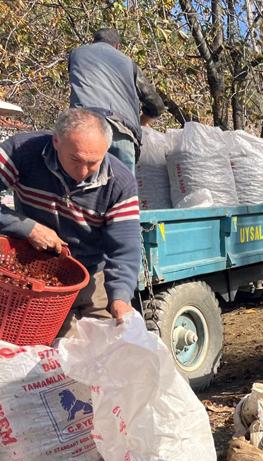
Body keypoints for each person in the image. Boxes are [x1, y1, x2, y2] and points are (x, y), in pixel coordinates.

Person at [0, 108, 141, 329]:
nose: (84, 171)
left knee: (102, 350)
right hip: (34, 274)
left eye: (93, 162)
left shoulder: (120, 183)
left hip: (92, 273)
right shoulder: (22, 151)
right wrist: (26, 227)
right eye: (75, 159)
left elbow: (124, 249)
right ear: (57, 141)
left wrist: (121, 298)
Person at [67, 28, 166, 173]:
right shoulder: (129, 64)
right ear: (117, 46)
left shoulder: (76, 54)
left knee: (81, 190)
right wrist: (142, 121)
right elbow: (156, 105)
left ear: (94, 41)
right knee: (123, 191)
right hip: (120, 134)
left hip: (84, 129)